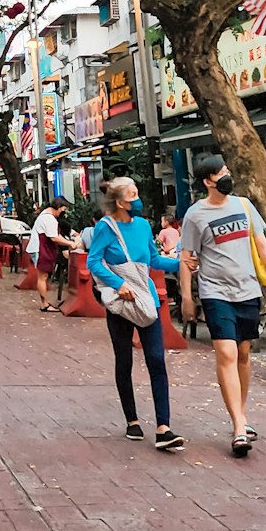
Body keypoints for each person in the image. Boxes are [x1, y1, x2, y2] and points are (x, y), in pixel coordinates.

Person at [179, 156, 266, 458]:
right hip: (216, 292)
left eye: (228, 172)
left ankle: (240, 415)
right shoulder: (195, 215)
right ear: (208, 181)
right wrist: (187, 297)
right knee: (227, 353)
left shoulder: (244, 206)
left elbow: (263, 246)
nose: (227, 177)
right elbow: (186, 257)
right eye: (222, 173)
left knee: (243, 354)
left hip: (248, 290)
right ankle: (239, 427)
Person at [88, 177, 184, 451]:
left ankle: (163, 428)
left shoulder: (143, 226)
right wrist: (119, 285)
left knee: (156, 359)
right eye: (133, 195)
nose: (138, 199)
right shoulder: (105, 228)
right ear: (120, 202)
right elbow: (94, 261)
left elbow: (152, 260)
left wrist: (181, 264)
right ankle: (132, 420)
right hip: (120, 305)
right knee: (124, 360)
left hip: (146, 301)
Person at [26, 202, 75, 311]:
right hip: (40, 249)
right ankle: (44, 304)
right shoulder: (49, 219)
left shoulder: (45, 215)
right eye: (63, 210)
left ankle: (44, 303)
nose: (62, 213)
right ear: (58, 208)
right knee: (42, 277)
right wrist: (69, 243)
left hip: (38, 248)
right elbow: (54, 237)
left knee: (42, 277)